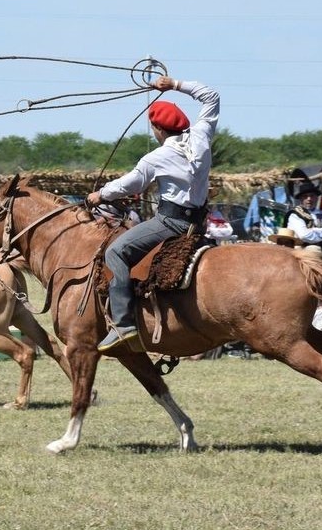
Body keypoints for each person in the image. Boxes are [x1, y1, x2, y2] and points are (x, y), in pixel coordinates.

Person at [84, 74, 220, 352]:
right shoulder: (201, 134)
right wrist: (175, 85)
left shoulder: (155, 158)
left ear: (158, 128)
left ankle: (123, 325)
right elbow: (211, 96)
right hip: (198, 223)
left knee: (116, 252)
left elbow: (130, 184)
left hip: (171, 222)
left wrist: (100, 195)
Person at [286, 181, 322, 253]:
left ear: (316, 198)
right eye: (305, 196)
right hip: (300, 254)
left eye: (312, 196)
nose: (309, 199)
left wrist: (313, 230)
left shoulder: (321, 213)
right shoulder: (295, 215)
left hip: (321, 253)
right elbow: (305, 236)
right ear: (301, 199)